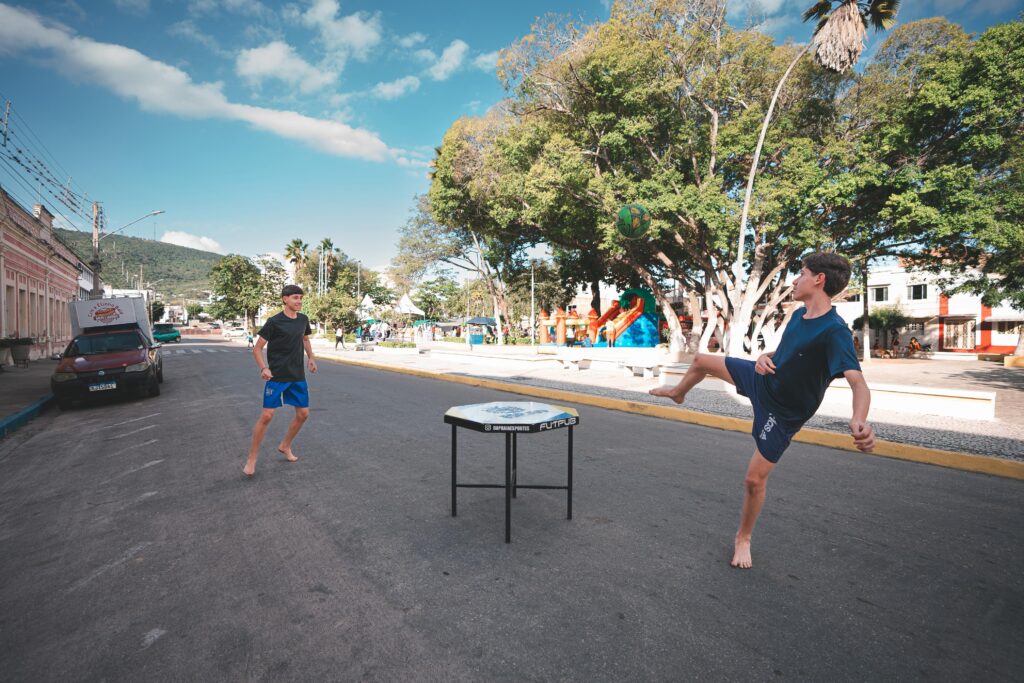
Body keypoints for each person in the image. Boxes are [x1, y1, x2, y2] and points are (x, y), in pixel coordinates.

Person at [649, 252, 875, 569]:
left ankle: (743, 538)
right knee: (701, 361)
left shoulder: (834, 331)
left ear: (819, 279)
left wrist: (858, 419)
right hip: (763, 380)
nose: (795, 280)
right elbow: (783, 353)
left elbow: (858, 383)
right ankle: (677, 393)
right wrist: (763, 357)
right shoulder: (798, 317)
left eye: (801, 273)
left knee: (754, 480)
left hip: (783, 413)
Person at [243, 284, 317, 478]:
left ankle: (285, 445)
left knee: (303, 414)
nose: (299, 301)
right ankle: (252, 458)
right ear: (285, 299)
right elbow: (257, 348)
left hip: (297, 375)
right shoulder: (274, 322)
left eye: (300, 297)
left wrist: (311, 358)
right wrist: (264, 367)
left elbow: (305, 339)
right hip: (277, 376)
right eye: (295, 298)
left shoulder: (303, 319)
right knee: (267, 416)